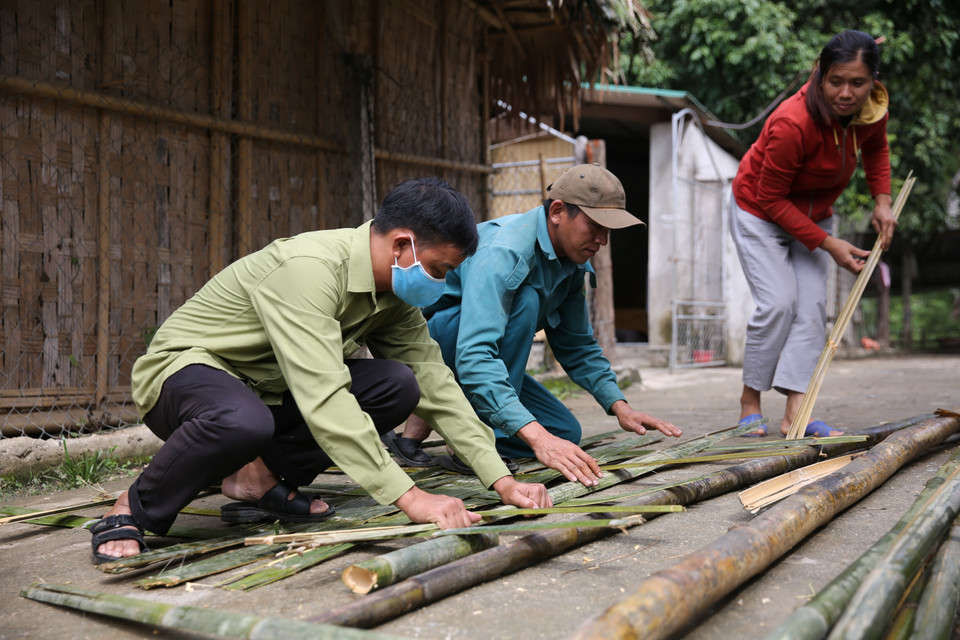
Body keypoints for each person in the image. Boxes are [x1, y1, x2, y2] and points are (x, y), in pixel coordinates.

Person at [90, 177, 551, 564]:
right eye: (438, 269)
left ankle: (257, 477)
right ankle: (132, 507)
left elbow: (435, 382)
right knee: (241, 419)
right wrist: (412, 498)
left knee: (399, 385)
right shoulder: (309, 269)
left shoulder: (394, 294)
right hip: (186, 373)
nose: (440, 283)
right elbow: (325, 397)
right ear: (401, 244)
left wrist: (501, 479)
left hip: (266, 392)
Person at [383, 164, 682, 487]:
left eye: (609, 231)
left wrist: (620, 406)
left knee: (565, 432)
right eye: (595, 226)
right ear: (557, 212)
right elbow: (475, 356)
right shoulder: (506, 252)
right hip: (427, 349)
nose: (603, 240)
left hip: (471, 359)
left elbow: (577, 346)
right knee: (525, 302)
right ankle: (471, 437)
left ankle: (445, 423)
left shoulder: (570, 262)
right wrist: (536, 438)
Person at [729, 30, 897, 438]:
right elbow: (770, 199)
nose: (846, 93)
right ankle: (750, 401)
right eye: (836, 81)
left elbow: (875, 150)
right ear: (820, 75)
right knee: (779, 304)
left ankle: (795, 416)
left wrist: (882, 200)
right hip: (759, 212)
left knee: (811, 311)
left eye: (857, 83)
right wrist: (829, 244)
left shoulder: (871, 111)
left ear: (873, 81)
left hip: (816, 214)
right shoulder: (792, 122)